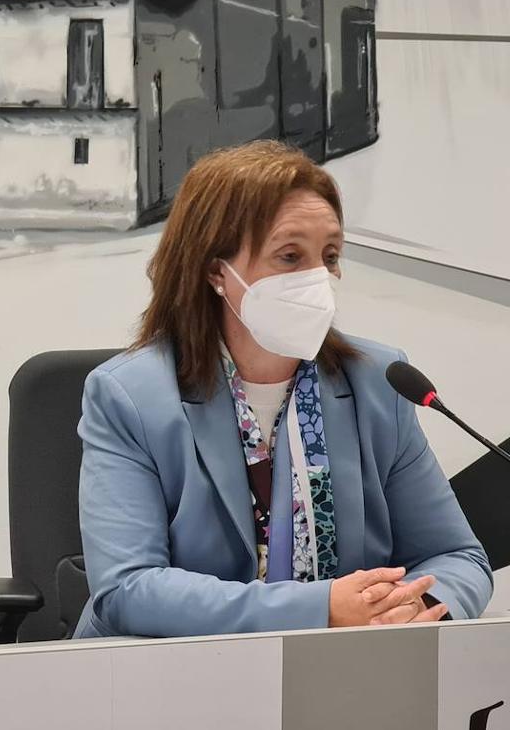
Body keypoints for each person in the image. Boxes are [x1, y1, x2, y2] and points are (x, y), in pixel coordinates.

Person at [73, 140, 492, 639]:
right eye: (290, 256)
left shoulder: (379, 383)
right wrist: (321, 609)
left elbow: (458, 557)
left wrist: (412, 608)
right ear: (215, 271)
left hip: (348, 675)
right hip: (169, 680)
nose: (318, 277)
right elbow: (128, 590)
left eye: (330, 256)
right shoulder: (130, 397)